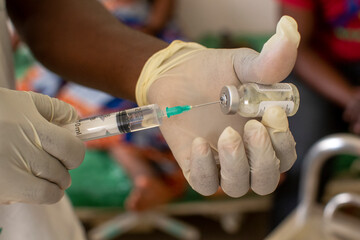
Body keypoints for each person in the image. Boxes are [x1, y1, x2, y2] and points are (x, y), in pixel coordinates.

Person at [0, 0, 300, 238]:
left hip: (30, 225)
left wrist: (159, 66)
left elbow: (40, 8)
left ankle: (149, 176)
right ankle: (145, 175)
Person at [273, 0, 360, 226]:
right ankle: (292, 225)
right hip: (320, 69)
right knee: (300, 152)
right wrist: (352, 98)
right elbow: (296, 48)